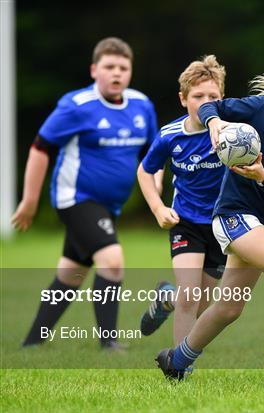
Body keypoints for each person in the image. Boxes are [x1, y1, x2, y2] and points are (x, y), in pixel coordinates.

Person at [154, 63, 264, 388]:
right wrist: (213, 122)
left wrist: (263, 177)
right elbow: (211, 105)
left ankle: (176, 360)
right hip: (233, 216)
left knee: (228, 307)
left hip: (260, 227)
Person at [11, 37, 158, 350]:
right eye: (109, 67)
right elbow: (40, 149)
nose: (116, 73)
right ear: (94, 70)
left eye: (123, 67)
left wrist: (156, 184)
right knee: (112, 260)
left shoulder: (141, 105)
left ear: (130, 71)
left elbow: (153, 154)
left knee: (72, 272)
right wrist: (30, 201)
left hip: (109, 206)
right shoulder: (76, 106)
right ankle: (109, 344)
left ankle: (32, 341)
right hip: (75, 198)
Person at [137, 55, 227, 346]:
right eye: (198, 96)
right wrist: (157, 207)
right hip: (185, 221)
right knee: (190, 296)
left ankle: (166, 300)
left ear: (222, 99)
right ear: (182, 98)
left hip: (221, 224)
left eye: (213, 96)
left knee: (200, 305)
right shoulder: (170, 136)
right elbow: (145, 170)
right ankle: (177, 367)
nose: (205, 102)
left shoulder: (233, 133)